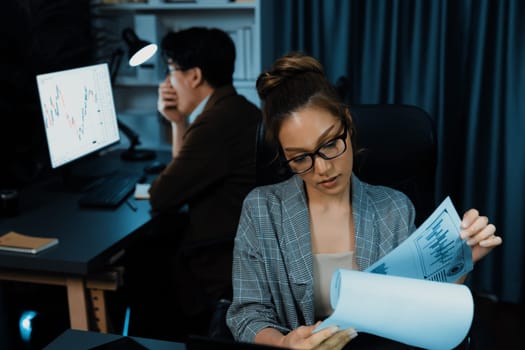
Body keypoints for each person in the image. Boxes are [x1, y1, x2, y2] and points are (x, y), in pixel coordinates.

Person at [226, 52, 502, 350]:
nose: (322, 168)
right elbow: (247, 313)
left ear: (347, 124)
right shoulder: (261, 209)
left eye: (330, 143)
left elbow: (421, 306)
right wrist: (283, 343)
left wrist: (460, 260)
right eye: (300, 158)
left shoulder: (393, 208)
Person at [124, 27, 261, 342]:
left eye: (171, 71)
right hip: (240, 249)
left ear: (194, 76)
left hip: (220, 261)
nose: (167, 82)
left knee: (141, 258)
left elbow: (163, 195)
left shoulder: (215, 124)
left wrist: (181, 124)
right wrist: (177, 122)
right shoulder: (237, 109)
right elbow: (184, 175)